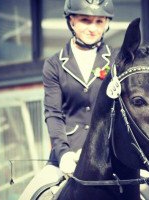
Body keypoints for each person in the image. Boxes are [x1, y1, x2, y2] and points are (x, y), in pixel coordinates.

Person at [19, 0, 115, 199]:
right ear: (72, 21)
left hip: (109, 153)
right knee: (30, 194)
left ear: (106, 23)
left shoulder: (116, 59)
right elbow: (53, 114)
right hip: (68, 152)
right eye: (85, 20)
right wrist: (63, 154)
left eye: (99, 21)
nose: (93, 28)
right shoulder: (54, 65)